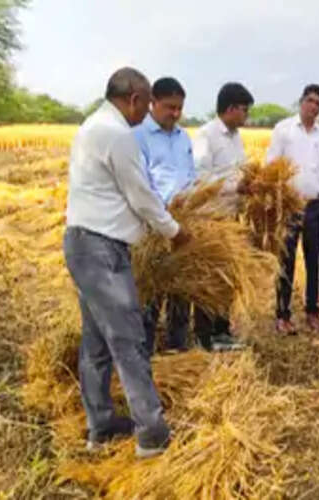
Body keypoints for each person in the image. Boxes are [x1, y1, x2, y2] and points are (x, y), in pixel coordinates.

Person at [64, 67, 190, 458]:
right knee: (129, 338)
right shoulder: (117, 135)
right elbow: (141, 194)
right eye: (146, 103)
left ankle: (101, 426)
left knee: (97, 341)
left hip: (83, 244)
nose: (145, 113)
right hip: (101, 250)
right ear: (134, 98)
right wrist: (174, 231)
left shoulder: (92, 126)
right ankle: (151, 435)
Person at [266, 84, 319, 334]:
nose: (313, 106)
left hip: (315, 206)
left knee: (313, 261)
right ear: (301, 102)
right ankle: (282, 315)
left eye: (318, 103)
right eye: (310, 101)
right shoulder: (283, 131)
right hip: (289, 205)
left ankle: (312, 310)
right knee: (286, 261)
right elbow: (271, 167)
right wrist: (273, 202)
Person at [133, 77, 197, 354]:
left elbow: (191, 177)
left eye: (179, 108)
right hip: (151, 226)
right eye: (170, 107)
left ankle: (176, 347)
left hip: (183, 225)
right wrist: (162, 219)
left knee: (181, 289)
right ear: (153, 103)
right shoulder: (137, 136)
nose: (175, 113)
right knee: (150, 290)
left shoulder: (183, 138)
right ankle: (145, 351)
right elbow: (141, 186)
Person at [190, 82, 254, 351]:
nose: (246, 116)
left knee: (227, 278)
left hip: (231, 217)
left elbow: (238, 169)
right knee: (210, 278)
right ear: (230, 109)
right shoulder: (206, 136)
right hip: (212, 219)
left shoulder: (235, 137)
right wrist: (234, 187)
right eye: (244, 110)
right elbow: (201, 178)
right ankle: (204, 337)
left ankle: (222, 330)